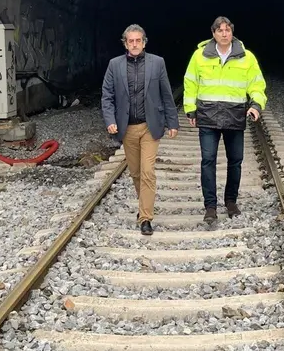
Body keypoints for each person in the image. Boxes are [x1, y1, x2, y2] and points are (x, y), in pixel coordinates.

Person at [183, 16, 267, 224]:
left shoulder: (247, 57)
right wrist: (190, 109)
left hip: (234, 116)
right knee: (208, 161)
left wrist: (256, 105)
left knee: (235, 161)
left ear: (232, 33)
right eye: (219, 30)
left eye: (227, 30)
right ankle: (210, 207)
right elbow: (190, 82)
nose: (223, 33)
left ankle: (231, 201)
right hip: (208, 116)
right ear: (213, 33)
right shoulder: (199, 56)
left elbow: (257, 85)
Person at [101, 24, 179, 235]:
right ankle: (143, 205)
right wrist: (110, 119)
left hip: (149, 127)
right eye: (130, 41)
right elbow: (107, 95)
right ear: (125, 43)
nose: (134, 44)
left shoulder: (157, 63)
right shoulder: (114, 65)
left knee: (147, 172)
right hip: (127, 128)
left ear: (144, 42)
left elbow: (166, 94)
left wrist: (172, 122)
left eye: (138, 40)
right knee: (135, 173)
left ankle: (146, 217)